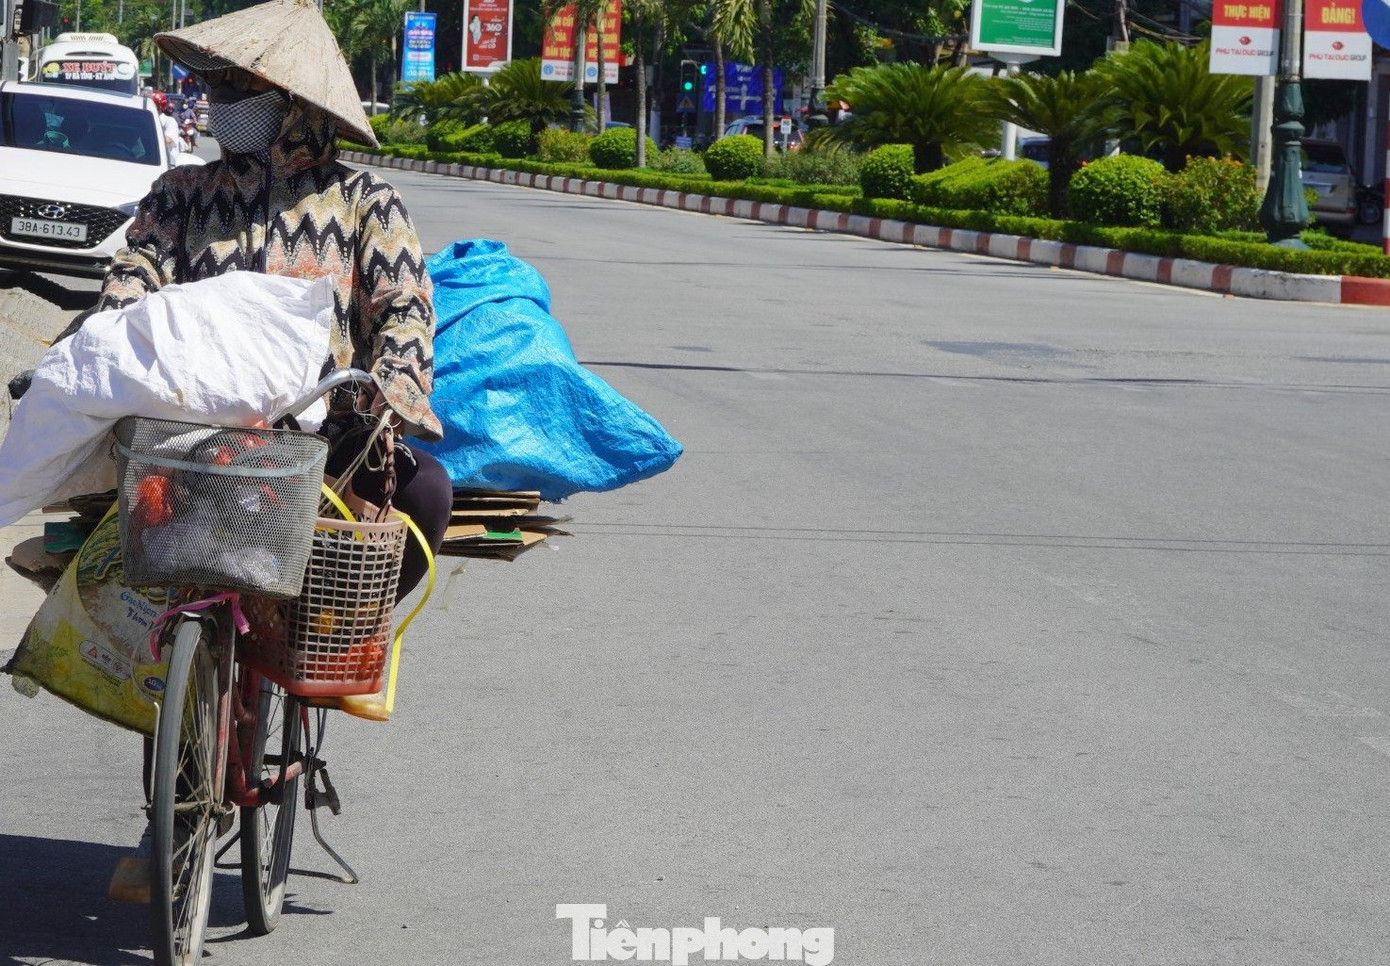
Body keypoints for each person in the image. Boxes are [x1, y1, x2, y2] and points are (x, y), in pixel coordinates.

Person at [100, 0, 452, 902]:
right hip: (201, 438)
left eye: (238, 86)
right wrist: (111, 323)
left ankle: (329, 632)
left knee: (430, 497)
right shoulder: (181, 196)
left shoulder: (368, 202)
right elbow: (134, 269)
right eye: (212, 86)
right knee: (130, 543)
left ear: (293, 102)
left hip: (320, 441)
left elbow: (406, 310)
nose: (219, 101)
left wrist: (393, 383)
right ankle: (166, 812)